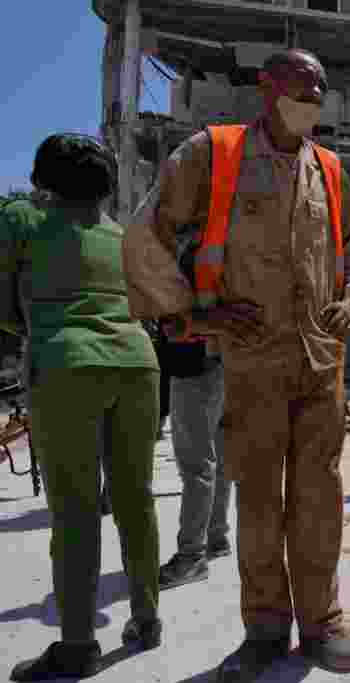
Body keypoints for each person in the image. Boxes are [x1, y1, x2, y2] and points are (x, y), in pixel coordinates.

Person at [131, 48, 350, 681]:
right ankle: (265, 627)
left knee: (319, 498)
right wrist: (190, 314)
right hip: (254, 362)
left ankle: (322, 621)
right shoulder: (215, 154)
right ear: (266, 90)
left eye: (318, 93)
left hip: (321, 363)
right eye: (299, 90)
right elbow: (148, 233)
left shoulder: (329, 168)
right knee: (260, 501)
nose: (311, 101)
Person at [2, 134, 162, 681]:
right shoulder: (122, 235)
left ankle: (76, 646)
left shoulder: (23, 219)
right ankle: (146, 619)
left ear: (44, 180)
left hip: (67, 367)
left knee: (75, 510)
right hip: (138, 363)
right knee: (136, 499)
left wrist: (37, 327)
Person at [157, 332, 232, 589]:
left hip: (193, 361)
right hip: (224, 359)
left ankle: (192, 556)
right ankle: (216, 536)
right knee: (217, 456)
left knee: (196, 465)